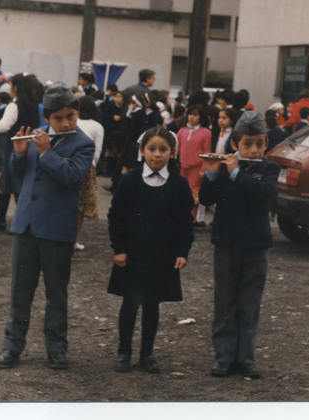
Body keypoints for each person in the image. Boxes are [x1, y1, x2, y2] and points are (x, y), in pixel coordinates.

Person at [0, 83, 95, 370]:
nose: (65, 123)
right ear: (47, 118)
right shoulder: (36, 136)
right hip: (26, 227)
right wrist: (17, 153)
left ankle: (56, 348)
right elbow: (20, 174)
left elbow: (73, 178)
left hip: (57, 231)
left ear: (77, 114)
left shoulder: (83, 143)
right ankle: (12, 345)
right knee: (20, 292)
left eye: (70, 117)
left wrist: (47, 152)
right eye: (58, 118)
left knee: (56, 294)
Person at [198, 111, 280, 380]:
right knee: (225, 302)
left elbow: (263, 195)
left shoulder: (269, 170)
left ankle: (245, 358)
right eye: (247, 144)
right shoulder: (224, 167)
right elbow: (208, 200)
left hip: (255, 247)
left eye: (259, 144)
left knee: (249, 304)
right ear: (235, 144)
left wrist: (235, 173)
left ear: (266, 144)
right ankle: (223, 357)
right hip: (227, 244)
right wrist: (211, 175)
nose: (254, 150)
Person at [107, 126, 194, 373]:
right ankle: (124, 352)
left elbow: (184, 222)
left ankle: (147, 354)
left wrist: (182, 251)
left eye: (163, 150)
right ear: (141, 151)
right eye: (152, 149)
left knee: (152, 305)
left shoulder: (178, 184)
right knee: (130, 302)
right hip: (132, 254)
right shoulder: (129, 181)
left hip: (162, 255)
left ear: (172, 153)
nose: (157, 155)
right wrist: (119, 249)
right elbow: (117, 217)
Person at [0, 73, 40, 232]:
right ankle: (2, 220)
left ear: (16, 88)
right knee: (7, 185)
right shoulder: (32, 104)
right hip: (27, 147)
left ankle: (23, 223)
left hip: (13, 147)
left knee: (14, 187)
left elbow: (2, 127)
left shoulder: (14, 106)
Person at [75, 95, 104, 250]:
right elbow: (97, 152)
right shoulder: (97, 126)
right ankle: (75, 239)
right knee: (81, 206)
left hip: (69, 163)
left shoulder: (74, 122)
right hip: (87, 167)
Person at [176, 104, 211, 225]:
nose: (191, 117)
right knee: (182, 192)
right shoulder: (182, 131)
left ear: (201, 117)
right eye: (190, 114)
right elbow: (177, 149)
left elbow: (207, 151)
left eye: (195, 115)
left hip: (196, 168)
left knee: (193, 193)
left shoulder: (206, 132)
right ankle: (182, 216)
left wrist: (203, 169)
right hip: (183, 166)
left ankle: (192, 218)